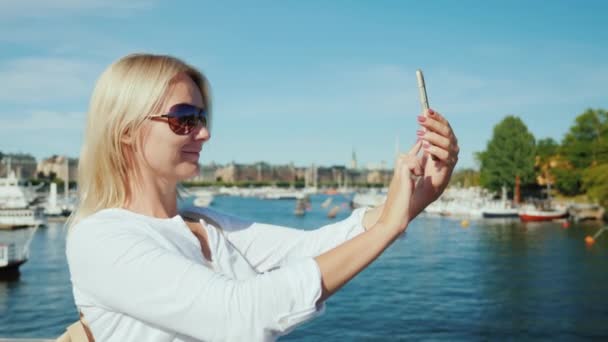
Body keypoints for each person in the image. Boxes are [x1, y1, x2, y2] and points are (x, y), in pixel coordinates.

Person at [66, 53, 459, 342]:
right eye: (183, 118)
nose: (203, 134)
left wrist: (416, 196)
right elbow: (238, 316)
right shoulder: (100, 238)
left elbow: (312, 248)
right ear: (125, 130)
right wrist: (390, 225)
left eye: (201, 119)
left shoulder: (205, 223)